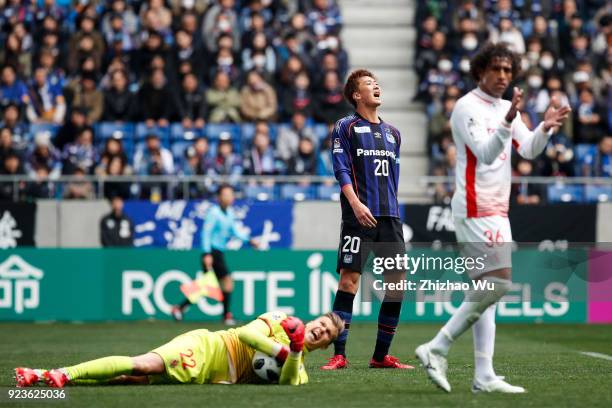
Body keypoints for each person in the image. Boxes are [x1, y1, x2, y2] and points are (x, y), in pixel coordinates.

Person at [415, 43, 571, 394]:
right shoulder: (466, 107)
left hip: (498, 208)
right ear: (480, 71)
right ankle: (436, 347)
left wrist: (544, 128)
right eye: (496, 69)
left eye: (508, 70)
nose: (503, 76)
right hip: (474, 206)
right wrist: (508, 120)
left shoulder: (506, 108)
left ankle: (483, 375)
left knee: (486, 290)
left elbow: (528, 149)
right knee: (497, 284)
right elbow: (485, 156)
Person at [322, 69, 412, 370]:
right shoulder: (345, 127)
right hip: (358, 216)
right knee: (349, 281)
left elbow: (393, 178)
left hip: (389, 218)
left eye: (377, 84)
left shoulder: (394, 134)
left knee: (397, 284)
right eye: (368, 84)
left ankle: (380, 356)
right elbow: (341, 169)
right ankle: (340, 355)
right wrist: (356, 203)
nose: (376, 86)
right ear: (356, 95)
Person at [15, 311, 344, 387]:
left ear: (326, 344)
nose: (320, 328)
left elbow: (288, 384)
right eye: (321, 322)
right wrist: (285, 348)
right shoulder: (281, 320)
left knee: (129, 381)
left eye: (326, 333)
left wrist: (296, 351)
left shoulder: (299, 371)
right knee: (141, 365)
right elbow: (245, 333)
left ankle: (44, 378)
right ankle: (62, 372)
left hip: (208, 377)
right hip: (208, 347)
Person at [171, 184, 258, 325]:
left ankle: (179, 308)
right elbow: (206, 233)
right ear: (219, 198)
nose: (229, 197)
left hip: (219, 252)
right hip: (212, 252)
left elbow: (234, 231)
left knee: (207, 285)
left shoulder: (229, 213)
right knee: (226, 283)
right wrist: (206, 254)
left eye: (231, 194)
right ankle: (226, 316)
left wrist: (249, 240)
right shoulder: (214, 213)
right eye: (226, 194)